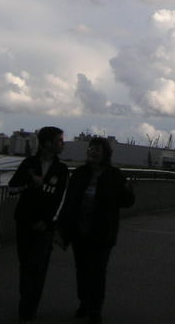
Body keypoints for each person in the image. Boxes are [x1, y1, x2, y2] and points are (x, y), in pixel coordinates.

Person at [58, 137, 135, 323]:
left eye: (97, 149)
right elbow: (69, 201)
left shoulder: (114, 175)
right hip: (80, 230)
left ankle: (95, 309)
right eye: (91, 149)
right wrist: (62, 227)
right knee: (82, 270)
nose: (93, 152)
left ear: (105, 153)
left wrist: (128, 191)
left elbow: (126, 202)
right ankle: (84, 302)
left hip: (102, 232)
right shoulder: (80, 173)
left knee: (98, 271)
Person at [9, 126, 69, 322]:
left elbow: (60, 198)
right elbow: (12, 188)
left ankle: (28, 308)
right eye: (59, 140)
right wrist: (30, 183)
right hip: (25, 222)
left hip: (45, 227)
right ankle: (27, 301)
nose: (62, 144)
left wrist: (47, 221)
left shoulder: (61, 169)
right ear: (47, 143)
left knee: (38, 267)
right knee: (26, 264)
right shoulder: (29, 163)